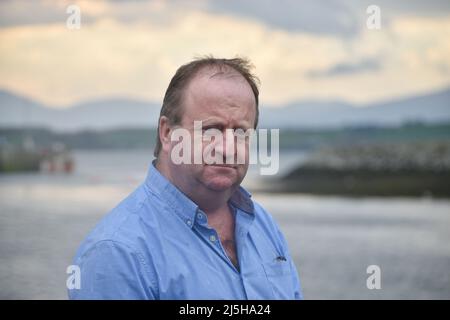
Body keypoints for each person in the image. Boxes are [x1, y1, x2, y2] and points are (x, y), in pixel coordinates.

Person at [68, 57, 303, 300]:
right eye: (211, 129)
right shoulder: (116, 253)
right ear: (168, 133)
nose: (228, 147)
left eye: (241, 132)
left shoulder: (262, 225)